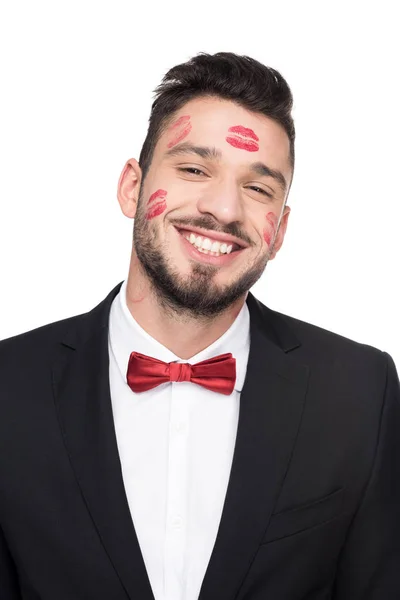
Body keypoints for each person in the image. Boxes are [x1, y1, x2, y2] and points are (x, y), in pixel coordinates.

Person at [0, 52, 399, 600]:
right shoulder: (8, 386)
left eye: (258, 189)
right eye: (193, 169)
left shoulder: (360, 390)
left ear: (279, 230)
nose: (224, 208)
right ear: (131, 188)